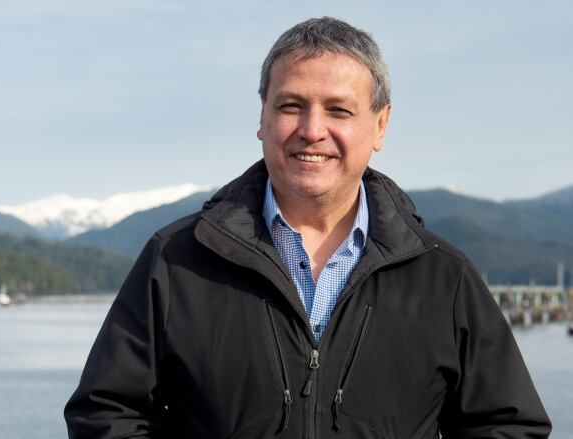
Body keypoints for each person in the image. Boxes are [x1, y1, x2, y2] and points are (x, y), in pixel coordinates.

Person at [65, 17, 551, 438]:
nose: (311, 130)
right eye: (291, 105)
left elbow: (508, 424)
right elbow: (107, 413)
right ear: (262, 117)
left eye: (338, 110)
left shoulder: (443, 276)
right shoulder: (176, 259)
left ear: (380, 126)